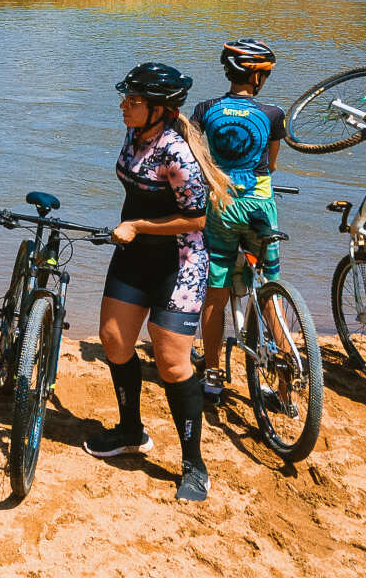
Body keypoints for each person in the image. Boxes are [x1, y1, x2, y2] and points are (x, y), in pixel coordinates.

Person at [87, 62, 237, 502]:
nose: (123, 106)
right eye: (126, 98)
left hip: (180, 265)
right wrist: (131, 230)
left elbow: (196, 218)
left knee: (173, 365)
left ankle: (194, 465)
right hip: (133, 257)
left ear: (159, 109)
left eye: (133, 101)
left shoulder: (177, 153)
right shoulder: (137, 134)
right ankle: (131, 431)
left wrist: (137, 225)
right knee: (114, 341)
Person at [191, 39, 287, 399]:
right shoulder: (273, 114)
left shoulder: (204, 109)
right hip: (260, 206)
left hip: (221, 207)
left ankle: (213, 373)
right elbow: (272, 165)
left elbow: (199, 161)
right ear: (258, 77)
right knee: (269, 292)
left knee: (215, 291)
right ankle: (284, 383)